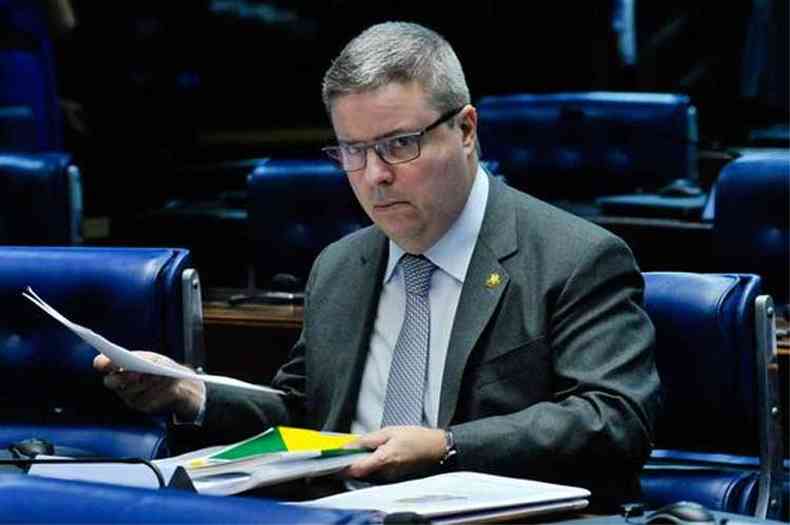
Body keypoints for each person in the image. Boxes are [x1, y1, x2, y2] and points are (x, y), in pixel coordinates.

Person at [94, 21, 660, 508]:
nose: (374, 176)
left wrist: (447, 445)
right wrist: (192, 394)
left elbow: (613, 419)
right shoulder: (341, 265)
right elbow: (306, 416)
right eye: (352, 151)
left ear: (465, 129)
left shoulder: (576, 257)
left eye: (397, 145)